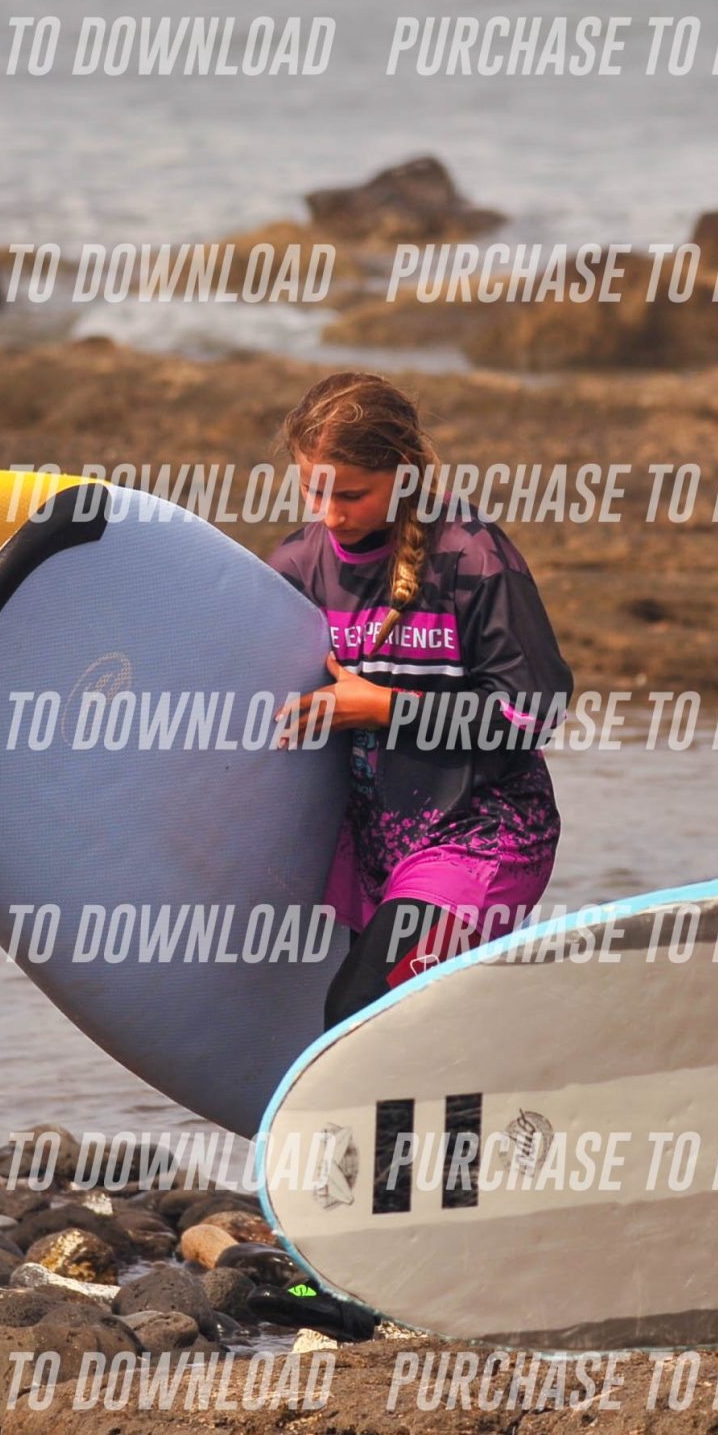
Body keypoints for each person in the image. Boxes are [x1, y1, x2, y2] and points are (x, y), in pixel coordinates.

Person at [268, 372, 574, 1024]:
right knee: (423, 1032)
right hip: (370, 850)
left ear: (404, 474)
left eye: (351, 494)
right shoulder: (297, 566)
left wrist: (384, 708)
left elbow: (532, 711)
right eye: (314, 490)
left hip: (483, 835)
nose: (330, 514)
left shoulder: (470, 556)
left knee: (359, 1013)